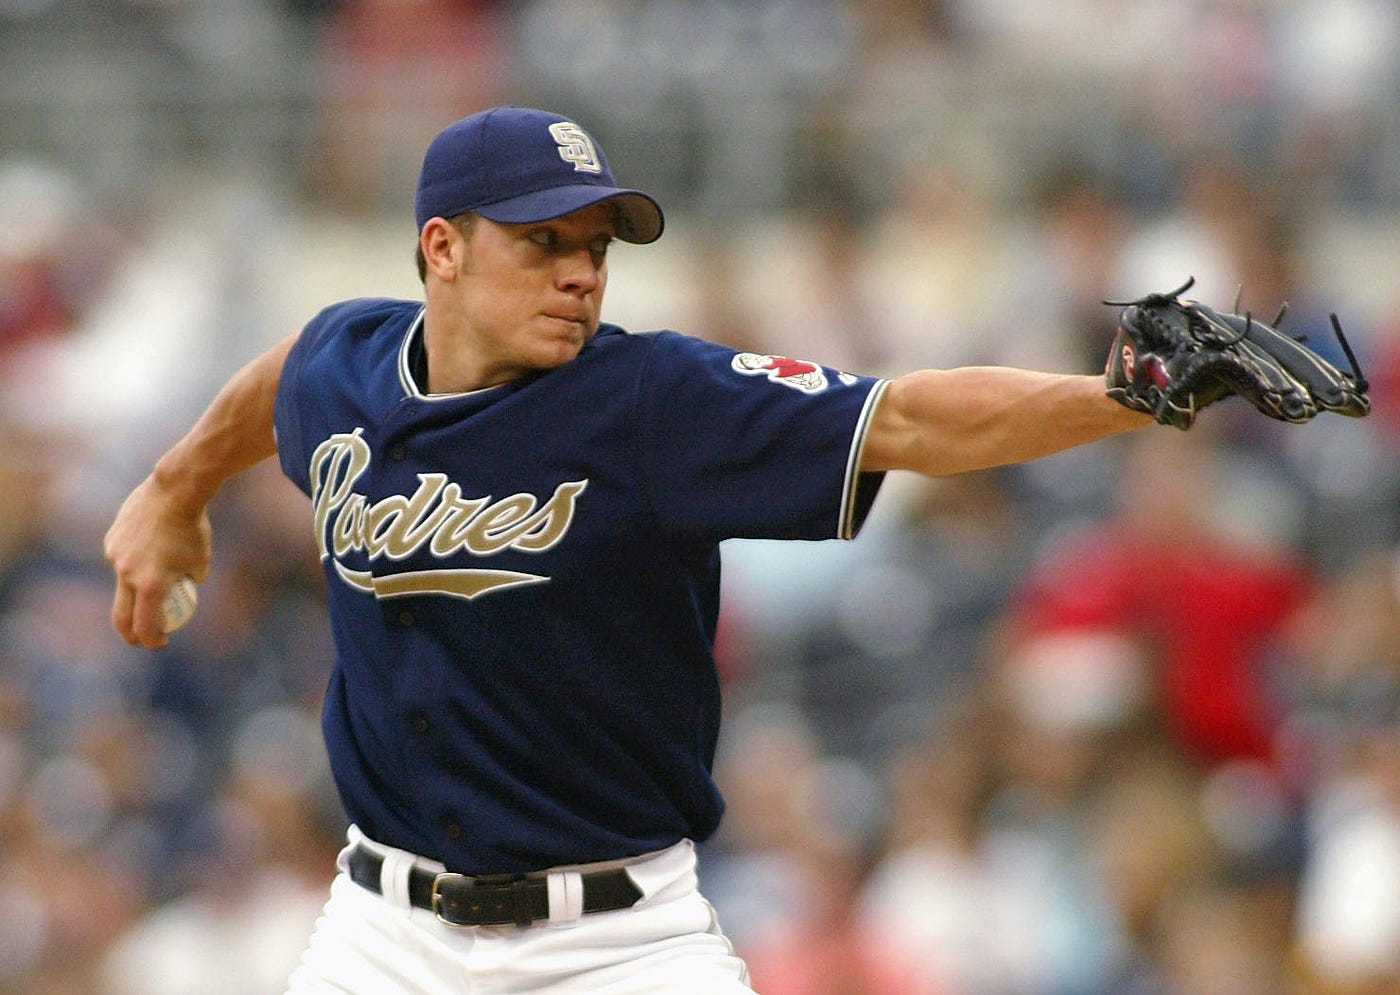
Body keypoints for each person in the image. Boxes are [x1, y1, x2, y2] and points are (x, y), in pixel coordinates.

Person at [104, 106, 1153, 993]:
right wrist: (172, 488)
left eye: (594, 247)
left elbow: (909, 419)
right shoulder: (349, 361)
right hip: (385, 930)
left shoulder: (652, 400)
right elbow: (278, 381)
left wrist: (1115, 400)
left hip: (615, 938)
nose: (579, 275)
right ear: (442, 249)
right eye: (542, 242)